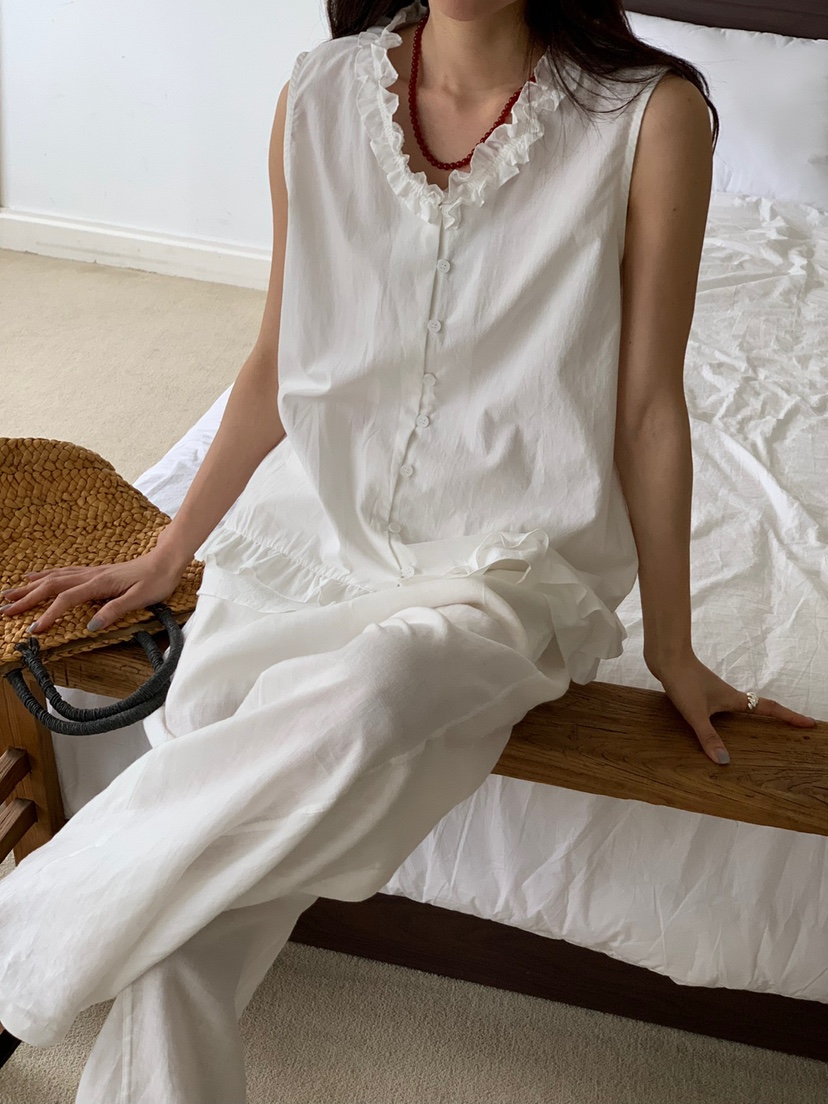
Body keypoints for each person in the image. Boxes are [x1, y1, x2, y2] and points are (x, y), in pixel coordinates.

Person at [0, 0, 817, 1100]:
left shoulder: (651, 117)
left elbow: (646, 411)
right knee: (196, 887)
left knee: (378, 694)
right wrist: (169, 548)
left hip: (510, 564)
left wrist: (671, 647)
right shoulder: (317, 95)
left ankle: (17, 939)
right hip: (311, 537)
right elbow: (277, 360)